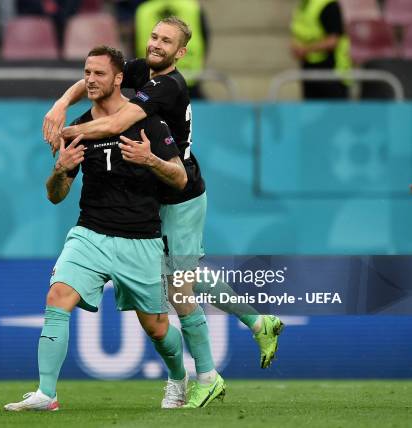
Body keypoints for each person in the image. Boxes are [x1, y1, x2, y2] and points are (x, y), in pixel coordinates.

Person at [43, 16, 284, 408]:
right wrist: (60, 104)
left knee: (178, 286)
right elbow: (94, 79)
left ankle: (207, 375)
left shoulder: (167, 86)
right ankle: (259, 322)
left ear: (182, 52)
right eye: (154, 36)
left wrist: (64, 131)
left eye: (166, 41)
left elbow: (117, 122)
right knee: (187, 273)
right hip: (165, 194)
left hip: (180, 193)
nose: (155, 44)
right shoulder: (143, 69)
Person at [4, 45, 189, 411]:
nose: (90, 79)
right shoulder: (80, 130)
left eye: (98, 73)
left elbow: (180, 178)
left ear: (119, 78)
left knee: (157, 328)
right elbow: (56, 197)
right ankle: (47, 394)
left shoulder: (149, 121)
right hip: (89, 234)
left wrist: (149, 159)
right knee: (58, 296)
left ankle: (178, 378)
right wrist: (59, 170)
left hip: (140, 238)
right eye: (86, 72)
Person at [290, 0, 352, 99]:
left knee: (336, 111)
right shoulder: (305, 5)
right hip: (309, 68)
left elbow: (333, 40)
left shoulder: (328, 5)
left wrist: (305, 49)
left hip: (332, 72)